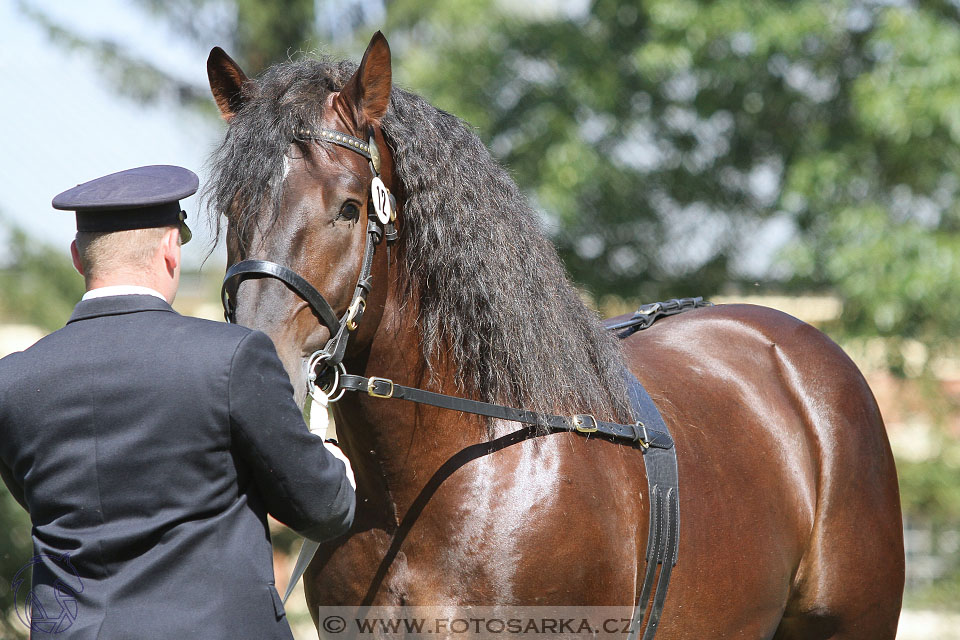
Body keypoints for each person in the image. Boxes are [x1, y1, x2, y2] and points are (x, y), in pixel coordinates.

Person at [0, 165, 356, 639]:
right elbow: (322, 509)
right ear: (171, 249)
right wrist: (333, 465)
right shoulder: (232, 357)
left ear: (77, 258)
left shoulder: (12, 382)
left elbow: (37, 498)